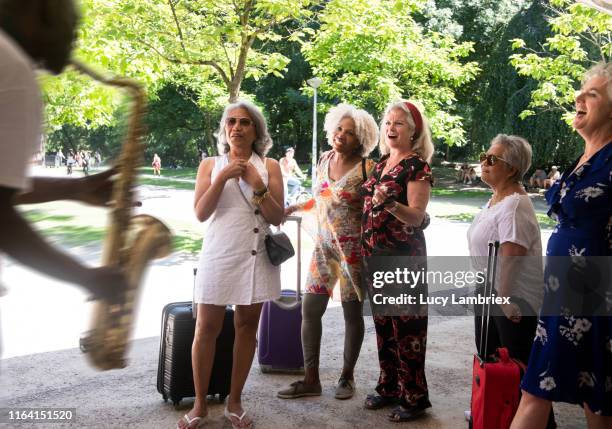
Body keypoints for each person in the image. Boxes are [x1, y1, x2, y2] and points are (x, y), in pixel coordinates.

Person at [0, 0, 126, 354]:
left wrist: (75, 187)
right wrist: (87, 277)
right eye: (71, 22)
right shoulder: (11, 67)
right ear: (36, 11)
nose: (74, 36)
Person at [511, 63, 612, 429]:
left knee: (536, 390)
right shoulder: (586, 156)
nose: (578, 98)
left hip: (592, 293)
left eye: (593, 94)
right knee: (596, 395)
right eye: (581, 91)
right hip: (563, 290)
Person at [180, 100, 284, 429]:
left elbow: (277, 216)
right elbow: (200, 213)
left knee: (246, 329)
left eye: (244, 122)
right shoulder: (210, 164)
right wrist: (222, 176)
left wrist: (257, 183)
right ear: (225, 129)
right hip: (218, 253)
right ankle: (199, 405)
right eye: (231, 122)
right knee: (206, 328)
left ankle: (234, 401)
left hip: (254, 255)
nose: (236, 127)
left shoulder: (269, 166)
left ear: (256, 131)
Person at [277, 103, 378, 401]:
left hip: (353, 254)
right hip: (323, 248)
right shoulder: (324, 159)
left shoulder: (367, 168)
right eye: (338, 129)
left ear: (361, 138)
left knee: (351, 315)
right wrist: (295, 206)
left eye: (349, 132)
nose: (341, 135)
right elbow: (321, 195)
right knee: (310, 310)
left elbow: (376, 209)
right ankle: (311, 379)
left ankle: (347, 377)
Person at [466, 135, 556, 427]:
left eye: (492, 159)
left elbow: (511, 256)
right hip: (489, 293)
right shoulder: (496, 199)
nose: (484, 162)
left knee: (521, 370)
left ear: (512, 168)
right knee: (495, 365)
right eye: (484, 155)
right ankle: (496, 417)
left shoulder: (514, 205)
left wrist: (502, 300)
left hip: (511, 299)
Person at [361, 100, 434, 422]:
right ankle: (389, 385)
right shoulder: (381, 164)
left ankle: (415, 397)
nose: (391, 129)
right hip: (375, 257)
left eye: (399, 124)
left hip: (404, 260)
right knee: (384, 326)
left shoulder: (417, 166)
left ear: (414, 131)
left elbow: (418, 217)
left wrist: (390, 204)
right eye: (388, 123)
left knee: (408, 330)